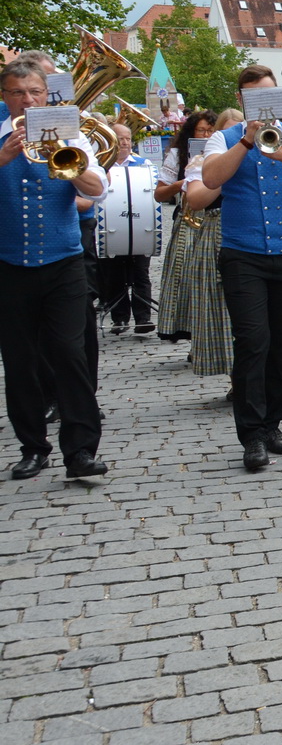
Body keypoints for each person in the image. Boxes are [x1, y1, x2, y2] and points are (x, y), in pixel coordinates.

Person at [190, 65, 282, 473]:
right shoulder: (224, 137)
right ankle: (251, 434)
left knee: (279, 344)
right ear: (241, 101)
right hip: (243, 255)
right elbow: (211, 178)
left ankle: (272, 424)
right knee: (252, 340)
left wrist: (281, 148)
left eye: (269, 96)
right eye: (253, 97)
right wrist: (248, 141)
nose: (263, 103)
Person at [0, 58, 109, 482]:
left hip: (63, 262)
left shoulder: (74, 136)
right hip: (9, 265)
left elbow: (97, 191)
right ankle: (32, 447)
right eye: (17, 93)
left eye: (35, 93)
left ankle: (80, 450)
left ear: (47, 95)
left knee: (69, 353)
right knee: (20, 360)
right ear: (5, 97)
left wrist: (72, 163)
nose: (27, 100)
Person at [182, 109, 243, 386]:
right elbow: (195, 200)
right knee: (220, 307)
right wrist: (227, 170)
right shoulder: (202, 159)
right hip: (215, 232)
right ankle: (235, 377)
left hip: (248, 230)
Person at [154, 111, 218, 343]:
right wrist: (184, 181)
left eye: (211, 131)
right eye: (201, 130)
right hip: (188, 222)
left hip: (214, 220)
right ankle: (187, 332)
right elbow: (159, 194)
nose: (207, 135)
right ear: (191, 132)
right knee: (185, 279)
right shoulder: (177, 154)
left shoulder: (221, 152)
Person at [97, 122, 156, 335]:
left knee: (141, 273)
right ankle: (119, 319)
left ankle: (143, 318)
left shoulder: (143, 164)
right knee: (114, 275)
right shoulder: (100, 165)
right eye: (119, 138)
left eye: (127, 138)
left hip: (140, 227)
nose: (124, 142)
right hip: (111, 228)